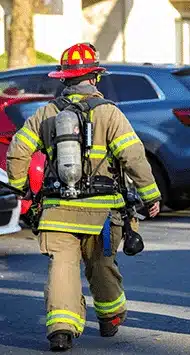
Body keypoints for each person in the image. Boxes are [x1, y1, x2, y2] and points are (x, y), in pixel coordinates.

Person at [6, 43, 161, 352]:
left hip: (57, 209)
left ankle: (61, 329)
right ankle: (110, 318)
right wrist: (150, 195)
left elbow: (17, 151)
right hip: (103, 212)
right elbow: (133, 157)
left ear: (64, 79)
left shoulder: (47, 113)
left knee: (62, 266)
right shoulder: (110, 114)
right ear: (95, 78)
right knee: (102, 265)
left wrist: (22, 187)